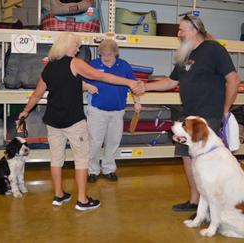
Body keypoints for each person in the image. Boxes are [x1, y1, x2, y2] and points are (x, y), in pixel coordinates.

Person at [18, 32, 142, 211]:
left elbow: (37, 94)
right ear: (67, 46)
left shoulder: (49, 67)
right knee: (82, 160)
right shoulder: (75, 63)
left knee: (56, 160)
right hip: (74, 121)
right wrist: (129, 83)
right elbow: (102, 77)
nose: (78, 48)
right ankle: (82, 200)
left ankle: (59, 195)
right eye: (76, 45)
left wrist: (25, 111)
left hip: (53, 121)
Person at [133, 15, 240, 213]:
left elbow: (233, 79)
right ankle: (195, 201)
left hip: (209, 117)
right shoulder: (185, 54)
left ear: (195, 29)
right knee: (187, 158)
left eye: (182, 30)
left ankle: (212, 206)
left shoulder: (214, 49)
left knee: (208, 165)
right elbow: (171, 82)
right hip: (188, 117)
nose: (178, 34)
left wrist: (225, 109)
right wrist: (145, 87)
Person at [84, 39, 141, 183]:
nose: (106, 57)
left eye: (109, 54)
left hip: (117, 111)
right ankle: (93, 170)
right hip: (97, 111)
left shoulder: (124, 66)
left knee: (113, 141)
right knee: (95, 142)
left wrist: (137, 102)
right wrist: (87, 86)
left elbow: (134, 85)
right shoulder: (93, 65)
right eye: (103, 54)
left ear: (116, 53)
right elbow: (79, 80)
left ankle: (108, 169)